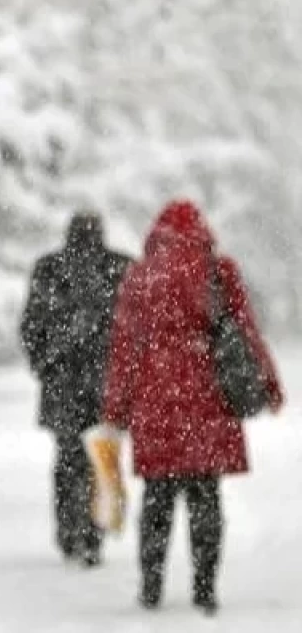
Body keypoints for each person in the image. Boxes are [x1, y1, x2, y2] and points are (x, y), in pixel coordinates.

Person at [102, 200, 283, 615]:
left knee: (157, 498)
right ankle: (204, 588)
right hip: (208, 400)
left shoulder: (141, 276)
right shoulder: (220, 272)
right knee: (206, 496)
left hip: (156, 401)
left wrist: (116, 408)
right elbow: (246, 332)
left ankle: (151, 586)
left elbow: (125, 348)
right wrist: (268, 385)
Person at [20, 211, 131, 567]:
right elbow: (138, 330)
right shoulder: (121, 268)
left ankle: (69, 531)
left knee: (68, 459)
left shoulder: (49, 269)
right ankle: (94, 533)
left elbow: (31, 326)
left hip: (63, 383)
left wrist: (45, 364)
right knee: (102, 457)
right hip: (107, 384)